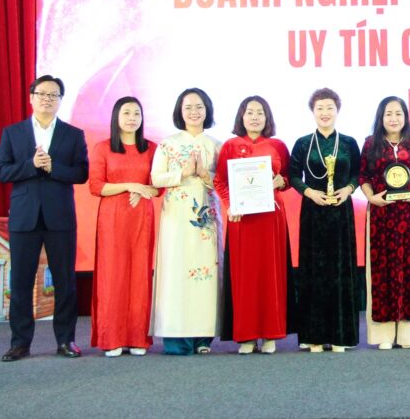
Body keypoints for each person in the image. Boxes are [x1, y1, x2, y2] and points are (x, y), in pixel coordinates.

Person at [0, 75, 89, 361]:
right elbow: (1, 171)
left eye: (54, 95)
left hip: (60, 218)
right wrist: (31, 164)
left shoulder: (73, 134)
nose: (47, 99)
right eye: (42, 94)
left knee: (65, 282)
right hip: (24, 218)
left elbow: (81, 173)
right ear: (31, 97)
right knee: (21, 282)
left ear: (60, 100)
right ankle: (20, 343)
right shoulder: (13, 133)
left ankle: (66, 340)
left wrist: (53, 167)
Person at [214, 96, 297, 355]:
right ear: (241, 116)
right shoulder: (230, 146)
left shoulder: (277, 145)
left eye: (260, 112)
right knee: (245, 277)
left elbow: (289, 177)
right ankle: (247, 335)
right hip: (242, 220)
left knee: (271, 275)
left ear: (267, 117)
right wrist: (230, 206)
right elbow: (220, 181)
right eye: (249, 112)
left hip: (271, 218)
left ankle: (271, 334)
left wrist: (281, 182)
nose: (254, 117)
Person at [150, 87, 222, 355]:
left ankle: (203, 337)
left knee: (207, 273)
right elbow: (156, 178)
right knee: (176, 271)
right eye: (188, 107)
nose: (194, 112)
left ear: (207, 110)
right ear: (180, 111)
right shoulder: (167, 144)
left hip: (206, 217)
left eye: (199, 106)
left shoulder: (217, 145)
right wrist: (182, 172)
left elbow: (224, 182)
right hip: (176, 218)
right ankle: (175, 337)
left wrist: (204, 174)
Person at [288, 88, 361, 352]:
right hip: (313, 213)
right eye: (320, 108)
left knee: (340, 271)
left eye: (330, 107)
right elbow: (292, 175)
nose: (325, 113)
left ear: (337, 110)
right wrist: (309, 192)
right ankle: (314, 336)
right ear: (313, 112)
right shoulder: (303, 143)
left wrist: (349, 189)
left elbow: (358, 174)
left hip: (341, 213)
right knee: (313, 273)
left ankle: (341, 335)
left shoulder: (349, 142)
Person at [89, 96, 158, 357]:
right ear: (116, 116)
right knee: (113, 276)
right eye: (126, 113)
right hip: (112, 217)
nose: (132, 118)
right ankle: (112, 338)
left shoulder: (152, 148)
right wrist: (131, 186)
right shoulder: (103, 148)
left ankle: (138, 338)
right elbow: (96, 186)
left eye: (136, 113)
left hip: (142, 215)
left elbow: (159, 186)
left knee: (140, 274)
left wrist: (143, 191)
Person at [359, 96, 410, 349]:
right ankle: (384, 334)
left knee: (409, 270)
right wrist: (371, 197)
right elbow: (363, 176)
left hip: (408, 216)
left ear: (406, 117)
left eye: (398, 113)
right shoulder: (370, 144)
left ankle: (408, 335)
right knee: (382, 271)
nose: (394, 118)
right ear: (381, 117)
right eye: (389, 114)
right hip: (381, 215)